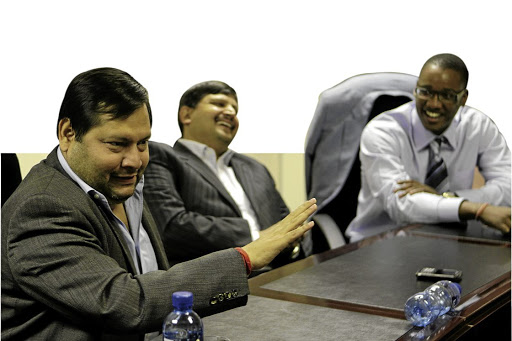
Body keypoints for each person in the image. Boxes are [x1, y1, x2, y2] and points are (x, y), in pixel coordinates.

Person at [1, 68, 317, 340]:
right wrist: (247, 257)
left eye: (143, 143)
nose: (135, 160)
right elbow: (125, 302)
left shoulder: (124, 187)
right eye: (117, 144)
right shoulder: (43, 206)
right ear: (68, 134)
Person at [346, 53, 511, 242]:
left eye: (447, 95)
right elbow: (400, 205)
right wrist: (475, 209)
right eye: (425, 92)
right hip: (381, 243)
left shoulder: (478, 126)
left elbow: (508, 188)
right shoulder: (382, 131)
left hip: (452, 241)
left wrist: (448, 197)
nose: (433, 103)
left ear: (463, 98)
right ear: (415, 90)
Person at [144, 81, 311, 267]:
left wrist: (293, 240)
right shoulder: (160, 156)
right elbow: (172, 227)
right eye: (219, 104)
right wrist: (256, 236)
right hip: (216, 281)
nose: (231, 112)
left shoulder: (255, 168)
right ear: (187, 115)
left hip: (283, 272)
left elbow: (285, 224)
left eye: (235, 109)